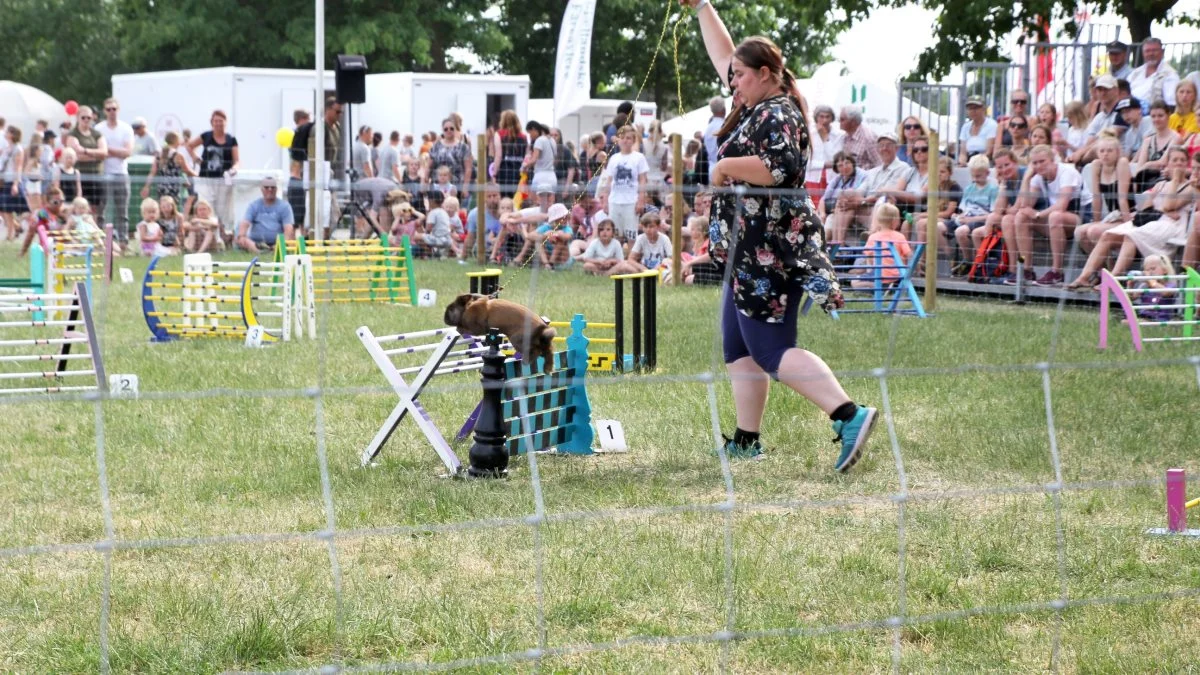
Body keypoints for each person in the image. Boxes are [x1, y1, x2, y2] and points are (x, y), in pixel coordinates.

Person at [688, 0, 877, 468]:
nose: (732, 82)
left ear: (767, 73)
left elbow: (779, 169)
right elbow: (725, 54)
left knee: (772, 350)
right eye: (732, 77)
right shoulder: (756, 102)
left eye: (740, 76)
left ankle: (849, 415)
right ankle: (746, 440)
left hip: (767, 250)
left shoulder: (778, 112)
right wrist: (702, 7)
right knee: (738, 347)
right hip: (746, 250)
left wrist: (725, 166)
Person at [1066, 148, 1195, 288]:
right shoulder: (1160, 184)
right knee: (1108, 235)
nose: (1178, 164)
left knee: (1130, 236)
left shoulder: (1190, 187)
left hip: (1170, 227)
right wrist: (1163, 209)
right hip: (1152, 222)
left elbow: (1169, 204)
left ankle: (1113, 280)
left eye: (1182, 161)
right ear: (1168, 163)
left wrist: (1175, 181)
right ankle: (1084, 277)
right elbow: (1147, 208)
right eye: (1174, 160)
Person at [1014, 145, 1093, 286]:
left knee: (1055, 216)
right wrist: (1026, 179)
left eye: (1042, 161)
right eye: (1035, 163)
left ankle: (1057, 272)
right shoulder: (1038, 177)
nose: (1038, 166)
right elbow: (1025, 206)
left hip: (1080, 217)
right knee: (1021, 217)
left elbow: (1062, 205)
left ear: (1052, 160)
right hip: (1056, 219)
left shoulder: (1067, 172)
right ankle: (1027, 270)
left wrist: (1038, 214)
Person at [1073, 135, 1132, 255]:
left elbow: (1122, 199)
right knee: (1079, 232)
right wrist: (1097, 221)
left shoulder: (1122, 163)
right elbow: (1097, 198)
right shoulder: (1096, 165)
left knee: (1093, 232)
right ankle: (1102, 268)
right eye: (1102, 151)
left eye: (1110, 151)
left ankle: (1109, 268)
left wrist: (1129, 228)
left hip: (1128, 214)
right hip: (1112, 216)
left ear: (1117, 152)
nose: (1105, 154)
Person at [188, 109, 240, 238]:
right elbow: (189, 146)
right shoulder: (206, 136)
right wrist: (195, 158)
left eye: (221, 121)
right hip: (205, 179)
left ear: (225, 122)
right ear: (212, 122)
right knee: (206, 208)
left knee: (224, 210)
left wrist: (234, 169)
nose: (218, 124)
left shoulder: (231, 140)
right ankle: (210, 238)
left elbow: (237, 160)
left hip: (223, 180)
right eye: (216, 121)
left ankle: (225, 236)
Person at [597, 125, 649, 243]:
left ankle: (630, 259)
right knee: (615, 235)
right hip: (614, 201)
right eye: (622, 137)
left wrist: (641, 200)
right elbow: (609, 181)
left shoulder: (639, 158)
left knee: (631, 235)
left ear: (633, 140)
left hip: (631, 201)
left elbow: (642, 180)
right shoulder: (614, 158)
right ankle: (616, 259)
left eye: (628, 138)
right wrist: (605, 200)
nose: (625, 140)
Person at [96, 98, 135, 250]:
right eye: (108, 109)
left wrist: (107, 150)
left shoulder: (126, 129)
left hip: (121, 173)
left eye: (114, 109)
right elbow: (99, 153)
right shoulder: (99, 129)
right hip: (104, 173)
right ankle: (100, 241)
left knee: (122, 210)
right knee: (101, 209)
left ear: (118, 110)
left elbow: (127, 152)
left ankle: (123, 242)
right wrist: (109, 152)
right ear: (105, 111)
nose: (112, 112)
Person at [952, 154, 999, 271]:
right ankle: (969, 262)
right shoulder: (969, 188)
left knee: (960, 231)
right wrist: (958, 216)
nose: (975, 179)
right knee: (953, 227)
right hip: (968, 219)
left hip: (981, 220)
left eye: (978, 176)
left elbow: (991, 214)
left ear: (987, 173)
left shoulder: (993, 189)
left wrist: (970, 220)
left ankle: (978, 263)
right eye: (973, 176)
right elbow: (964, 209)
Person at [850, 203, 911, 289]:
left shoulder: (873, 237)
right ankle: (887, 286)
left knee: (854, 282)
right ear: (896, 221)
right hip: (898, 275)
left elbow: (869, 257)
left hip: (878, 274)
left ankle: (878, 286)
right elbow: (909, 255)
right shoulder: (900, 236)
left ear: (877, 220)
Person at [236, 177, 294, 254]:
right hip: (255, 243)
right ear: (262, 189)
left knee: (289, 239)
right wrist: (242, 235)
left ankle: (273, 250)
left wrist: (280, 244)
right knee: (241, 237)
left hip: (277, 243)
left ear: (276, 189)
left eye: (272, 187)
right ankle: (259, 251)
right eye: (266, 187)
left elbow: (288, 229)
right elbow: (245, 223)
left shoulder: (285, 206)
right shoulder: (254, 205)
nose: (270, 189)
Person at [609, 210, 672, 275]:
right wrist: (643, 269)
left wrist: (656, 269)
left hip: (660, 269)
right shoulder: (641, 238)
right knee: (623, 264)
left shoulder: (664, 239)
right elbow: (631, 259)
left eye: (651, 226)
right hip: (644, 268)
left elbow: (671, 259)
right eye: (645, 227)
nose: (648, 229)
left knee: (668, 263)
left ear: (658, 227)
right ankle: (604, 275)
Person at [141, 131, 194, 203]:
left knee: (163, 209)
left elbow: (152, 172)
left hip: (161, 188)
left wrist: (146, 186)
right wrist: (198, 174)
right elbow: (187, 171)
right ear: (176, 141)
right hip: (173, 188)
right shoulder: (177, 155)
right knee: (172, 210)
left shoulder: (159, 155)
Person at [1128, 38, 1179, 111]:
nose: (1151, 54)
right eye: (1147, 51)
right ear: (1143, 53)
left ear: (1162, 52)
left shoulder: (1170, 75)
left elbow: (1171, 105)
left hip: (1154, 116)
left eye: (1154, 50)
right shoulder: (1135, 73)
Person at [807, 104, 844, 200]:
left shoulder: (839, 135)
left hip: (831, 179)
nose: (825, 120)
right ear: (816, 117)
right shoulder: (809, 134)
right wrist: (823, 164)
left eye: (828, 117)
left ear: (832, 118)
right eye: (821, 117)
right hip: (812, 178)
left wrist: (825, 138)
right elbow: (805, 161)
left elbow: (836, 159)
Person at [1126, 255, 1178, 323]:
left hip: (1161, 318)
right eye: (1147, 270)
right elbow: (1131, 298)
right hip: (1145, 316)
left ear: (1165, 270)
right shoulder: (1144, 286)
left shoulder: (1170, 285)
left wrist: (1151, 281)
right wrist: (1130, 285)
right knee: (1125, 322)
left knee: (1133, 322)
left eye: (1153, 269)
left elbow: (1166, 293)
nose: (1150, 272)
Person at [462, 184, 502, 262]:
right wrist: (463, 258)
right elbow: (470, 237)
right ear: (484, 198)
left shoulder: (509, 210)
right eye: (489, 196)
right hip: (485, 249)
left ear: (500, 196)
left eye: (495, 195)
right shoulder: (474, 214)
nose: (492, 199)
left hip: (504, 247)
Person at [0, 126, 26, 241]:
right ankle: (16, 227)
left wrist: (15, 184)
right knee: (3, 209)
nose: (5, 133)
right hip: (2, 180)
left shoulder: (18, 149)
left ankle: (10, 234)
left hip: (11, 181)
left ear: (12, 134)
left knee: (7, 210)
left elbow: (18, 167)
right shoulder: (6, 148)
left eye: (8, 132)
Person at [838, 106, 881, 171]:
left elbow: (880, 164)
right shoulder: (845, 136)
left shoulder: (868, 138)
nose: (839, 121)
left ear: (853, 122)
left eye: (842, 119)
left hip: (865, 179)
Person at [958, 96, 997, 166]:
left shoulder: (992, 125)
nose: (973, 111)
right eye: (970, 108)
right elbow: (962, 153)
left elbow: (989, 152)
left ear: (983, 109)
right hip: (968, 162)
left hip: (985, 163)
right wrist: (962, 162)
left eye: (976, 108)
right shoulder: (965, 127)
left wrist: (973, 164)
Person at [523, 121, 558, 198]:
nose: (530, 136)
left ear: (534, 129)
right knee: (549, 203)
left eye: (529, 133)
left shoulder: (539, 140)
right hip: (552, 176)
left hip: (541, 176)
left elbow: (534, 159)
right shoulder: (552, 141)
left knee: (535, 201)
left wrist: (524, 166)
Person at [703, 96, 727, 184]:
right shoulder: (724, 126)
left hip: (712, 167)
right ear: (723, 109)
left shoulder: (708, 127)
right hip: (722, 169)